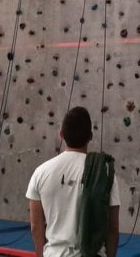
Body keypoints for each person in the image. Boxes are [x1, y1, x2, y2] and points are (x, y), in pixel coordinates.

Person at [27, 107, 120, 257]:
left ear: (61, 134)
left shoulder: (40, 172)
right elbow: (112, 228)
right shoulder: (104, 173)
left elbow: (36, 228)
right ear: (90, 136)